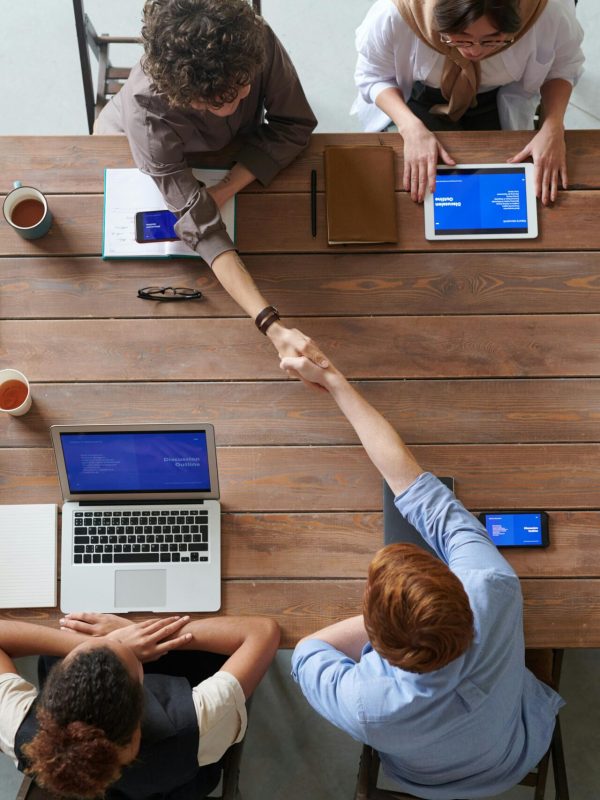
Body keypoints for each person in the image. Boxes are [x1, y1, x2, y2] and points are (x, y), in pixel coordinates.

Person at [282, 348, 564, 798]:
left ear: (374, 642)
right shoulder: (491, 587)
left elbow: (307, 652)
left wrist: (332, 381)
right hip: (516, 751)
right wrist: (334, 379)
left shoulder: (365, 704)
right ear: (457, 592)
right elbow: (419, 491)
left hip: (425, 780)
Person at [96, 0, 326, 369]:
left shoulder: (251, 40)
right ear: (185, 97)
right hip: (136, 146)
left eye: (244, 84)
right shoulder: (146, 111)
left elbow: (294, 124)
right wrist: (272, 325)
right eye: (225, 99)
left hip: (229, 154)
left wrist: (226, 187)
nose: (246, 95)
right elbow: (199, 225)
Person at [0, 612, 279, 798]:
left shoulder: (20, 734)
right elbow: (264, 631)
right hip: (180, 784)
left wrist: (99, 642)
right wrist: (144, 633)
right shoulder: (197, 723)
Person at [353, 0, 584, 206]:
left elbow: (562, 68)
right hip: (422, 96)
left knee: (504, 186)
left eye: (492, 41)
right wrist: (410, 128)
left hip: (496, 96)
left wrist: (553, 124)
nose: (474, 51)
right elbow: (373, 76)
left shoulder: (548, 11)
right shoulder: (395, 13)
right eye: (461, 39)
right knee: (421, 188)